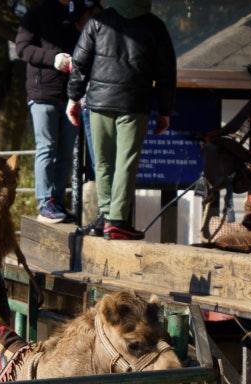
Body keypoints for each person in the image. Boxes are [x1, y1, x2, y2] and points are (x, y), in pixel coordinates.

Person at [66, 0, 176, 240]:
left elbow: (80, 62)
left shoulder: (98, 21)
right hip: (134, 103)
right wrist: (165, 110)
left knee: (103, 163)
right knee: (126, 162)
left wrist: (73, 98)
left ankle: (105, 217)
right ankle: (116, 221)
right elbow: (166, 71)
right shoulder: (155, 25)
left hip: (99, 102)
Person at [16, 0, 98, 224]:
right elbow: (22, 48)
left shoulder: (80, 12)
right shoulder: (37, 12)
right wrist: (53, 59)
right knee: (47, 147)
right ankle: (45, 202)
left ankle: (58, 202)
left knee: (65, 151)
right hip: (42, 92)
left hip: (72, 94)